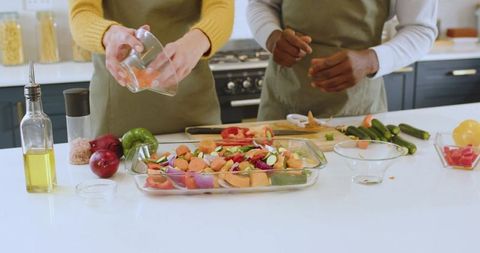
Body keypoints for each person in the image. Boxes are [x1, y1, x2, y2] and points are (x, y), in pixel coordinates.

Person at [247, 0, 438, 120]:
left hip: (358, 109)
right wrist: (272, 38)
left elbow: (421, 29)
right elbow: (261, 4)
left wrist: (371, 60)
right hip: (284, 101)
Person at [68, 0, 233, 137]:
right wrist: (108, 34)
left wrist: (199, 39)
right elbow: (82, 12)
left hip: (190, 100)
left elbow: (220, 7)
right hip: (118, 105)